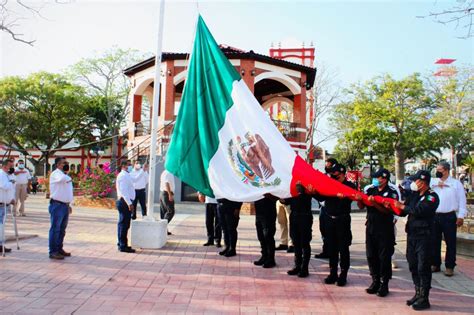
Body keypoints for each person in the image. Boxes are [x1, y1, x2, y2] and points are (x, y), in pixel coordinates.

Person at [392, 170, 439, 311]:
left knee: (422, 266)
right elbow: (404, 210)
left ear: (422, 182)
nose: (413, 183)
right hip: (412, 235)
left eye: (415, 180)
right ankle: (417, 293)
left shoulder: (432, 197)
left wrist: (403, 207)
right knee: (412, 264)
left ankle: (425, 298)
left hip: (425, 236)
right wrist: (394, 207)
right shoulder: (414, 195)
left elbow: (419, 211)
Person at [357, 168, 399, 297]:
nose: (375, 180)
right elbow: (361, 206)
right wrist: (360, 199)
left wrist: (374, 203)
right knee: (371, 255)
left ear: (384, 178)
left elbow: (389, 211)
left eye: (378, 177)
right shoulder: (370, 190)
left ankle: (384, 284)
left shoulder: (391, 192)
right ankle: (375, 281)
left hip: (385, 228)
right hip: (371, 227)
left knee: (384, 257)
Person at [314, 163, 355, 286]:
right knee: (332, 248)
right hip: (329, 219)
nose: (332, 174)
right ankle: (333, 273)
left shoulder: (349, 185)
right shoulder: (329, 183)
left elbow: (352, 197)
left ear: (341, 173)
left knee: (343, 248)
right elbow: (321, 197)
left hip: (342, 220)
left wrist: (342, 195)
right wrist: (313, 192)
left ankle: (343, 274)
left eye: (334, 172)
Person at [431, 161, 467, 277]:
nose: (438, 172)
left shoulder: (456, 184)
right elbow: (415, 186)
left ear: (446, 171)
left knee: (450, 243)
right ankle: (435, 264)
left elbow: (462, 201)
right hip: (435, 216)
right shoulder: (433, 182)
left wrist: (461, 216)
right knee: (434, 241)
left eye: (440, 170)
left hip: (449, 216)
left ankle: (450, 266)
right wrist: (437, 183)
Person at [285, 183, 314, 278]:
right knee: (296, 242)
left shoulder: (308, 192)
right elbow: (285, 201)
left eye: (299, 184)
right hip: (294, 217)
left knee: (305, 243)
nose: (297, 185)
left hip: (305, 217)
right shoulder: (292, 192)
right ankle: (297, 265)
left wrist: (311, 191)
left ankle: (304, 268)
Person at [48, 157, 73, 260]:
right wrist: (66, 172)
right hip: (57, 205)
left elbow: (69, 191)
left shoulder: (64, 175)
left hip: (65, 205)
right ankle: (53, 251)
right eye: (64, 163)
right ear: (58, 165)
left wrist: (70, 204)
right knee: (55, 229)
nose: (66, 165)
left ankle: (59, 249)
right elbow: (62, 179)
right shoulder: (56, 174)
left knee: (62, 230)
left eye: (67, 163)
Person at [315, 157, 338, 259]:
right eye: (326, 165)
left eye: (328, 165)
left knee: (333, 232)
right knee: (323, 229)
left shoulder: (336, 178)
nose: (326, 166)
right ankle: (326, 250)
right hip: (323, 207)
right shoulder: (323, 176)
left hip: (333, 209)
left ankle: (334, 251)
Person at [115, 160, 136, 253]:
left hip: (126, 201)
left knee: (123, 224)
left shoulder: (127, 175)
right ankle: (123, 245)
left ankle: (121, 243)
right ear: (123, 166)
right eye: (129, 165)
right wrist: (129, 203)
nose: (130, 166)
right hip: (124, 202)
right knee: (124, 224)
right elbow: (124, 191)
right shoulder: (123, 176)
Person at [253, 194, 278, 268]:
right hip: (259, 213)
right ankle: (264, 256)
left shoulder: (271, 184)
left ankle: (271, 259)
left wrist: (268, 195)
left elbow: (277, 197)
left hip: (269, 213)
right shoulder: (257, 185)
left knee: (268, 236)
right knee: (260, 236)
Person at [0, 159, 16, 254]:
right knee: (0, 226)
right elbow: (4, 186)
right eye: (10, 166)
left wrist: (12, 199)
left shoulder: (7, 175)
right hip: (0, 204)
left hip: (6, 204)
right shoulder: (1, 174)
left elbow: (10, 190)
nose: (12, 168)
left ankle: (1, 245)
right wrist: (12, 182)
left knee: (1, 226)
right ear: (5, 166)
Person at [159, 168, 175, 235]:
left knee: (164, 212)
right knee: (170, 211)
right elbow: (166, 184)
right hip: (166, 194)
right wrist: (169, 194)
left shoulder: (164, 172)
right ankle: (161, 227)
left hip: (163, 193)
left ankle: (164, 230)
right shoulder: (168, 173)